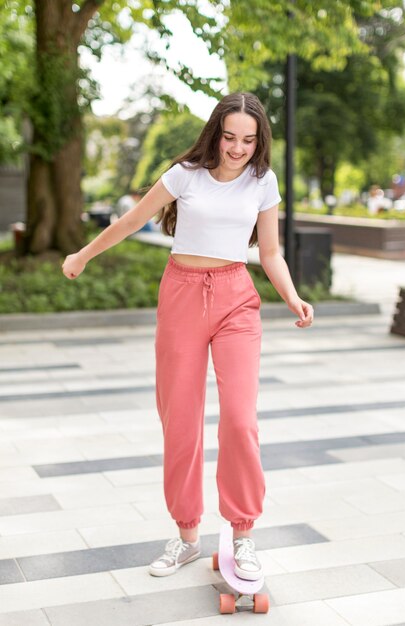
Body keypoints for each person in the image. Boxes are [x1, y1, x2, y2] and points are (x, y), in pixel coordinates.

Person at [62, 91, 314, 581]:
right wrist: (82, 255)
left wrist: (292, 297)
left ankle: (243, 534)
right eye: (230, 137)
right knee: (180, 421)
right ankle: (186, 537)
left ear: (259, 141)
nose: (238, 148)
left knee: (240, 420)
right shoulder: (185, 176)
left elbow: (270, 252)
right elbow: (133, 220)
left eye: (248, 139)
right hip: (180, 294)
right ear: (216, 132)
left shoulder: (264, 183)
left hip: (236, 298)